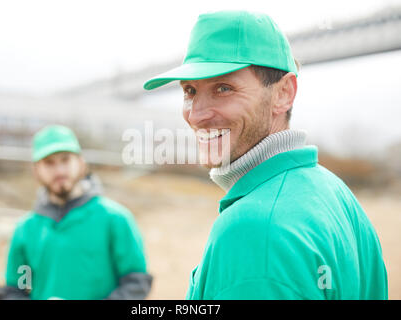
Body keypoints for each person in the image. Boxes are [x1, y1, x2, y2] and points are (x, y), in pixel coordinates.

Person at [144, 11, 388, 299]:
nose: (196, 115)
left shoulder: (252, 230)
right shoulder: (334, 192)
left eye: (224, 88)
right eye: (190, 90)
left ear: (284, 93)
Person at [0, 125, 152, 300]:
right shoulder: (26, 230)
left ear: (81, 163)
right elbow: (16, 290)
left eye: (65, 160)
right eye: (49, 163)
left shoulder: (115, 219)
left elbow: (136, 284)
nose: (59, 171)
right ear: (36, 170)